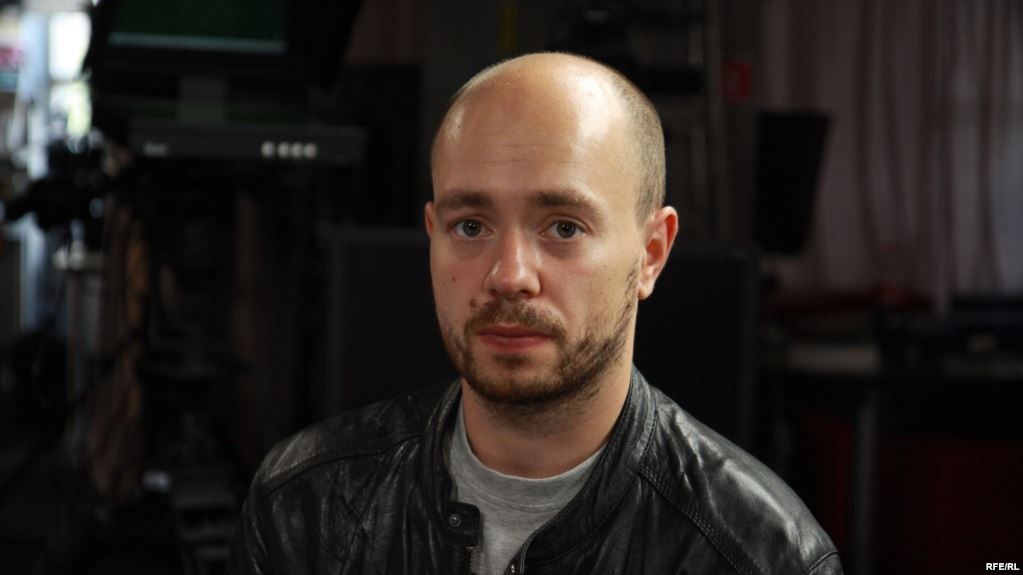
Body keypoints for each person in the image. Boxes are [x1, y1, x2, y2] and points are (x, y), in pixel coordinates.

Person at [227, 52, 842, 575]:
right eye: (471, 226)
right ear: (432, 235)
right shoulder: (304, 507)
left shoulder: (761, 556)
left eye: (564, 227)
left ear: (651, 254)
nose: (509, 275)